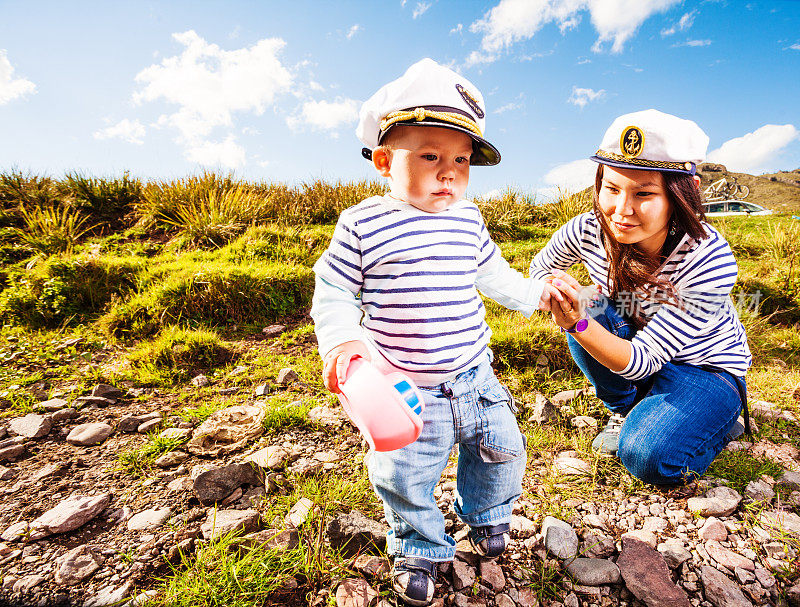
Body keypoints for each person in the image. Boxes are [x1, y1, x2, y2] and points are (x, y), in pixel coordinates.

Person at [311, 58, 560, 606]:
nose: (449, 172)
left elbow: (492, 274)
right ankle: (420, 544)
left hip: (475, 376)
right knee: (404, 472)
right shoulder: (362, 223)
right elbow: (332, 291)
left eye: (462, 160)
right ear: (383, 160)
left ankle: (488, 515)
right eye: (430, 156)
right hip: (407, 387)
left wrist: (535, 293)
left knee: (501, 451)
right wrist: (344, 342)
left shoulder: (469, 218)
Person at [530, 109, 752, 486]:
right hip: (636, 351)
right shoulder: (587, 229)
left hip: (705, 369)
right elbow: (540, 270)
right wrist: (556, 291)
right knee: (590, 301)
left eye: (644, 194)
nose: (621, 210)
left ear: (686, 191)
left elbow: (643, 361)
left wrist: (577, 323)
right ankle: (626, 409)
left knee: (649, 458)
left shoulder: (708, 258)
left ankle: (719, 419)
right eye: (612, 188)